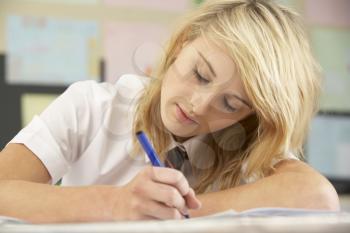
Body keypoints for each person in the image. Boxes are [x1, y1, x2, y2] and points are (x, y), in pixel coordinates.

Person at [0, 0, 340, 223]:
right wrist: (115, 206)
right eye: (200, 74)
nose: (199, 105)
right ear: (182, 44)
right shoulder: (92, 107)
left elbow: (319, 197)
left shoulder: (250, 142)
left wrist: (175, 217)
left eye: (231, 104)